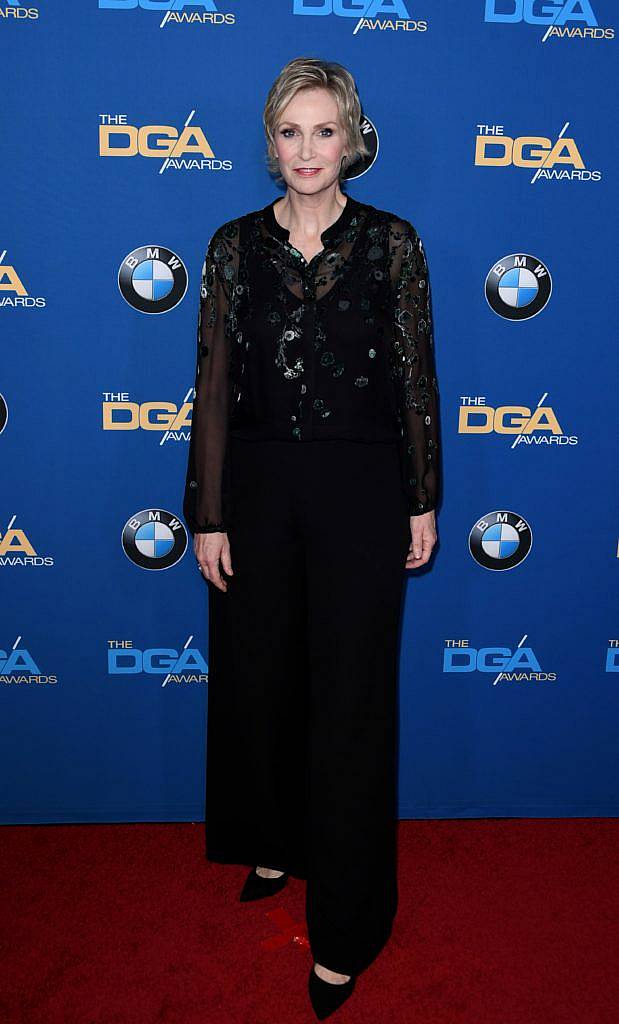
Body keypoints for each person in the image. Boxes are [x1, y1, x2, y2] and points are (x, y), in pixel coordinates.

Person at [183, 56, 440, 1020]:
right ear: (269, 142)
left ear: (354, 140)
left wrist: (422, 498)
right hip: (257, 490)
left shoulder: (391, 245)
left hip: (363, 492)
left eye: (324, 131)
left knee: (351, 702)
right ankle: (277, 836)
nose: (307, 151)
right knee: (261, 680)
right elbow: (210, 382)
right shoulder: (232, 246)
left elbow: (417, 378)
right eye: (290, 132)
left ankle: (350, 922)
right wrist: (207, 510)